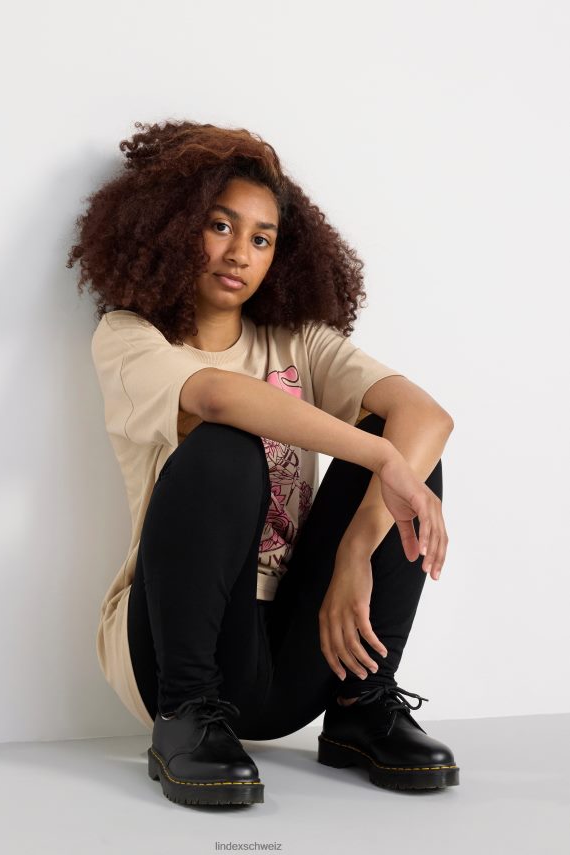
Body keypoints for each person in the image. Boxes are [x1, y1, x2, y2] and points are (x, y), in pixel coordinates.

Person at [67, 119, 459, 807]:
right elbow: (218, 396)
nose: (238, 253)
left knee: (413, 457)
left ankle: (360, 704)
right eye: (219, 226)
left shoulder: (297, 339)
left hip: (293, 655)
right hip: (170, 653)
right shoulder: (129, 338)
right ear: (173, 226)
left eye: (260, 238)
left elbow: (428, 417)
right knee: (229, 443)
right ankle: (185, 721)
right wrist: (377, 455)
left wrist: (355, 552)